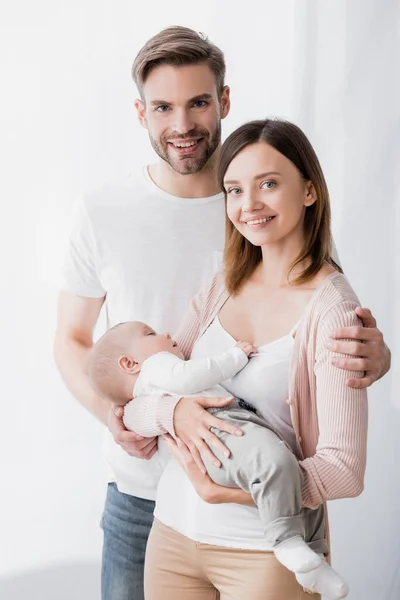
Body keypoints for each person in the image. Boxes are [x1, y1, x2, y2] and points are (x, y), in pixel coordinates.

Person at [53, 26, 390, 600]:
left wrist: (375, 356)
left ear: (224, 102)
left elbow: (319, 329)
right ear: (141, 113)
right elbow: (73, 339)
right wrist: (130, 413)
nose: (181, 125)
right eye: (163, 106)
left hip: (257, 532)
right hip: (145, 498)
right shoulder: (111, 213)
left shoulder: (257, 218)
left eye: (198, 102)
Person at [135, 118, 369, 599]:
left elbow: (345, 470)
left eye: (268, 184)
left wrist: (231, 491)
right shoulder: (222, 285)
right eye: (234, 189)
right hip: (172, 539)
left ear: (309, 191)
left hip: (265, 557)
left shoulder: (334, 312)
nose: (249, 205)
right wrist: (173, 411)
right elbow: (140, 397)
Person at [88, 319, 349, 599]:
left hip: (224, 440)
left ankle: (308, 555)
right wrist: (235, 355)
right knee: (277, 465)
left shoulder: (149, 390)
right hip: (220, 432)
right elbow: (194, 375)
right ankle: (289, 543)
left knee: (286, 474)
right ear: (130, 364)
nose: (165, 332)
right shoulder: (158, 367)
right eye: (149, 333)